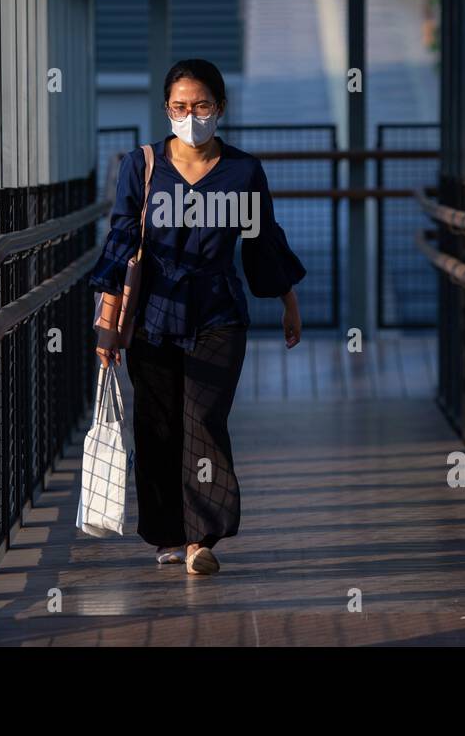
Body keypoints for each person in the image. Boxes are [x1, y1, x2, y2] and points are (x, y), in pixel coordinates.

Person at [89, 58, 306, 576]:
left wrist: (287, 300)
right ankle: (168, 532)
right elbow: (122, 242)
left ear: (221, 108)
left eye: (202, 105)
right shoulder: (141, 166)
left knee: (204, 420)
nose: (191, 115)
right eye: (180, 106)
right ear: (166, 110)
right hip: (152, 316)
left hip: (218, 313)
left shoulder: (243, 170)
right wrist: (108, 322)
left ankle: (200, 538)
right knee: (158, 425)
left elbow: (262, 241)